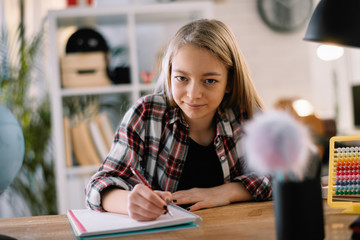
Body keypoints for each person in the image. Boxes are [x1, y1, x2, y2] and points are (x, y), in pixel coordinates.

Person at [86, 19, 272, 221]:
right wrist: (128, 201)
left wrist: (224, 192)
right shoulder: (146, 114)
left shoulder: (247, 119)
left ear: (229, 82)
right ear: (169, 74)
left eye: (210, 81)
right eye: (182, 78)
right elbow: (98, 186)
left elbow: (280, 178)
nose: (193, 94)